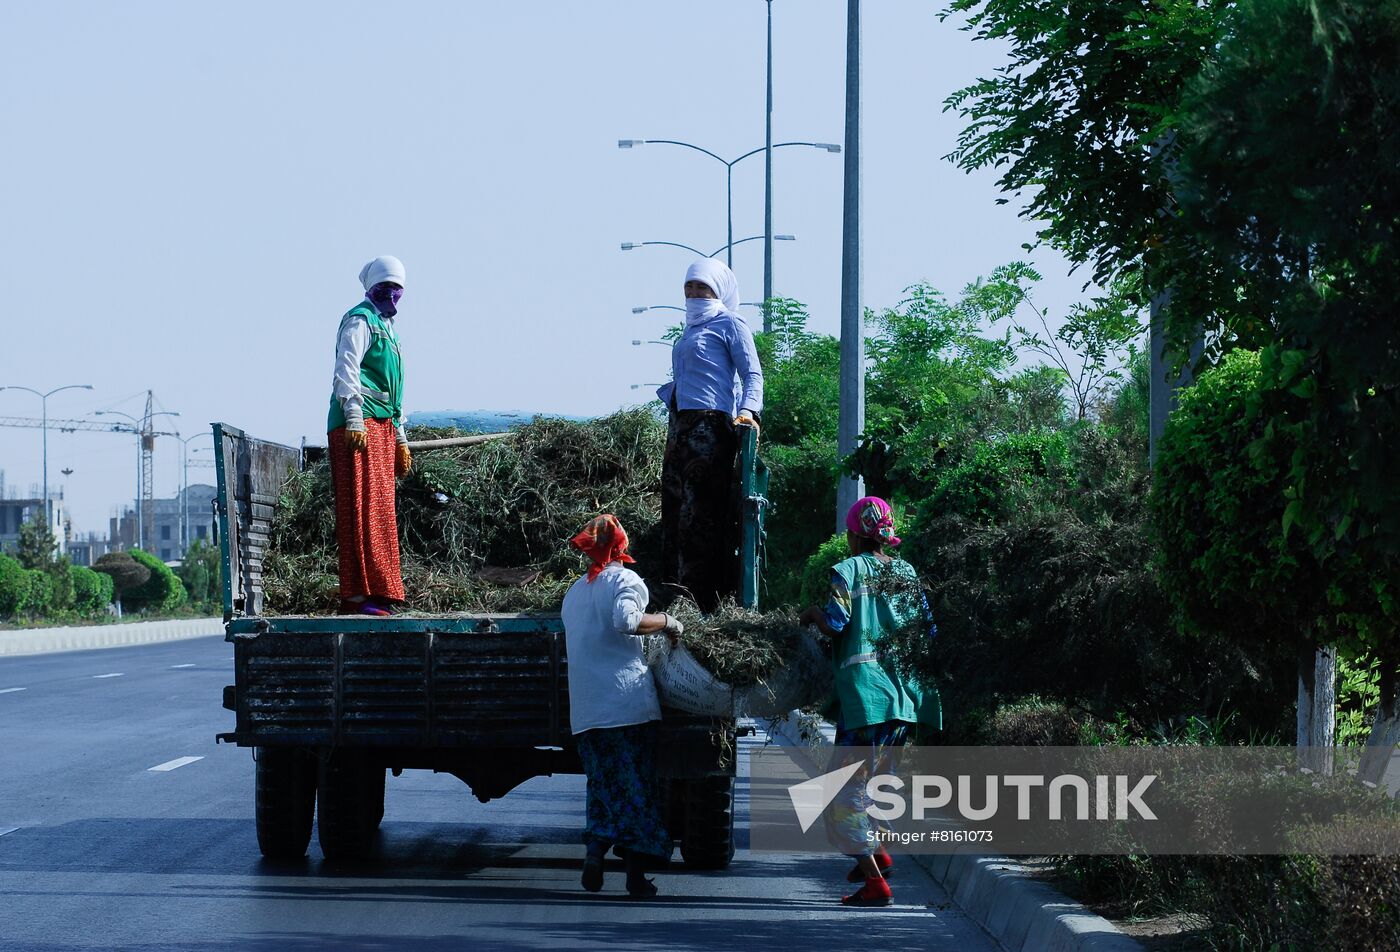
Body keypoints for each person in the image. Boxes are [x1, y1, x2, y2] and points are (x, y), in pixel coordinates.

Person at [799, 496, 941, 908]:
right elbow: (928, 629)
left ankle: (875, 880)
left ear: (853, 534)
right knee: (873, 788)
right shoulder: (907, 571)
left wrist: (810, 614)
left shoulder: (848, 571)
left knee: (838, 796)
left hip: (867, 700)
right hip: (904, 700)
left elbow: (836, 623)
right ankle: (879, 853)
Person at [561, 514, 685, 898]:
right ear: (621, 546)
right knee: (636, 789)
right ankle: (634, 877)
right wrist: (668, 621)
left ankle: (596, 850)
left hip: (586, 711)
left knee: (602, 787)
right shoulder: (626, 580)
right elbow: (626, 621)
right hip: (624, 705)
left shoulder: (575, 592)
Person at [656, 258, 764, 613]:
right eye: (689, 287)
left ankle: (697, 600)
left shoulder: (730, 324)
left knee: (699, 514)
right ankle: (673, 591)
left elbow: (752, 375)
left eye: (702, 287)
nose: (694, 293)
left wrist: (747, 411)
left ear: (718, 291)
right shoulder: (689, 330)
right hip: (681, 426)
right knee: (673, 507)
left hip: (711, 427)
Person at [328, 255, 412, 616]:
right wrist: (354, 417)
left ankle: (380, 591)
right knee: (358, 508)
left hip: (382, 428)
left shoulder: (389, 332)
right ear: (370, 290)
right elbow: (346, 368)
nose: (391, 298)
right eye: (385, 290)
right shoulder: (360, 320)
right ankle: (356, 597)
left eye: (397, 291)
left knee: (380, 510)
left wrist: (401, 439)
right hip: (357, 425)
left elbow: (392, 393)